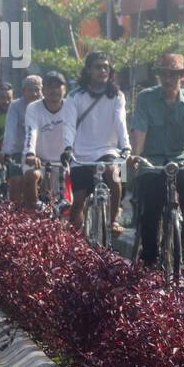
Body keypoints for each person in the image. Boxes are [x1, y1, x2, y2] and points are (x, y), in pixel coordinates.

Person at [128, 52, 184, 266]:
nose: (167, 79)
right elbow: (140, 130)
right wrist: (136, 155)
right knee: (151, 206)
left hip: (181, 157)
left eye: (173, 75)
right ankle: (149, 258)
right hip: (152, 160)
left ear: (182, 77)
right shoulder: (145, 98)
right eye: (164, 74)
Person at [64, 50, 130, 235]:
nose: (103, 71)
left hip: (108, 150)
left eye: (106, 67)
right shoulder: (74, 96)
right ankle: (72, 243)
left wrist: (126, 147)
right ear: (88, 70)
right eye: (98, 67)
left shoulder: (117, 96)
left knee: (115, 176)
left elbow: (120, 122)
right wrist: (68, 148)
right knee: (78, 201)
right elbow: (69, 125)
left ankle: (113, 219)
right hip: (80, 154)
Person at [23, 71, 72, 208]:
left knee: (76, 204)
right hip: (40, 161)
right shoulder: (33, 108)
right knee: (31, 176)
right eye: (50, 86)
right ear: (43, 89)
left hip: (66, 163)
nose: (54, 90)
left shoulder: (71, 107)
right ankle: (32, 216)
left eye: (58, 86)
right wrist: (30, 153)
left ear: (65, 89)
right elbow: (30, 131)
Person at [3, 75, 42, 206]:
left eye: (37, 90)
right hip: (18, 151)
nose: (34, 93)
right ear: (23, 91)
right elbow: (10, 129)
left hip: (40, 151)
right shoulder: (15, 106)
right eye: (30, 90)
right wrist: (6, 150)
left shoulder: (45, 104)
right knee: (16, 181)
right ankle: (15, 217)